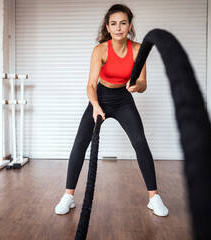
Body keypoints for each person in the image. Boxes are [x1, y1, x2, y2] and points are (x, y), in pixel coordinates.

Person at [55, 4, 168, 217]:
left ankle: (154, 198)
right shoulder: (101, 50)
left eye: (123, 23)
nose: (118, 28)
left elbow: (143, 83)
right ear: (108, 27)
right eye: (114, 23)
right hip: (101, 97)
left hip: (124, 100)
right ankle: (68, 196)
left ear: (130, 25)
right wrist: (96, 106)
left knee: (140, 143)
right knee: (80, 143)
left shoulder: (138, 49)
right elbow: (90, 85)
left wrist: (137, 87)